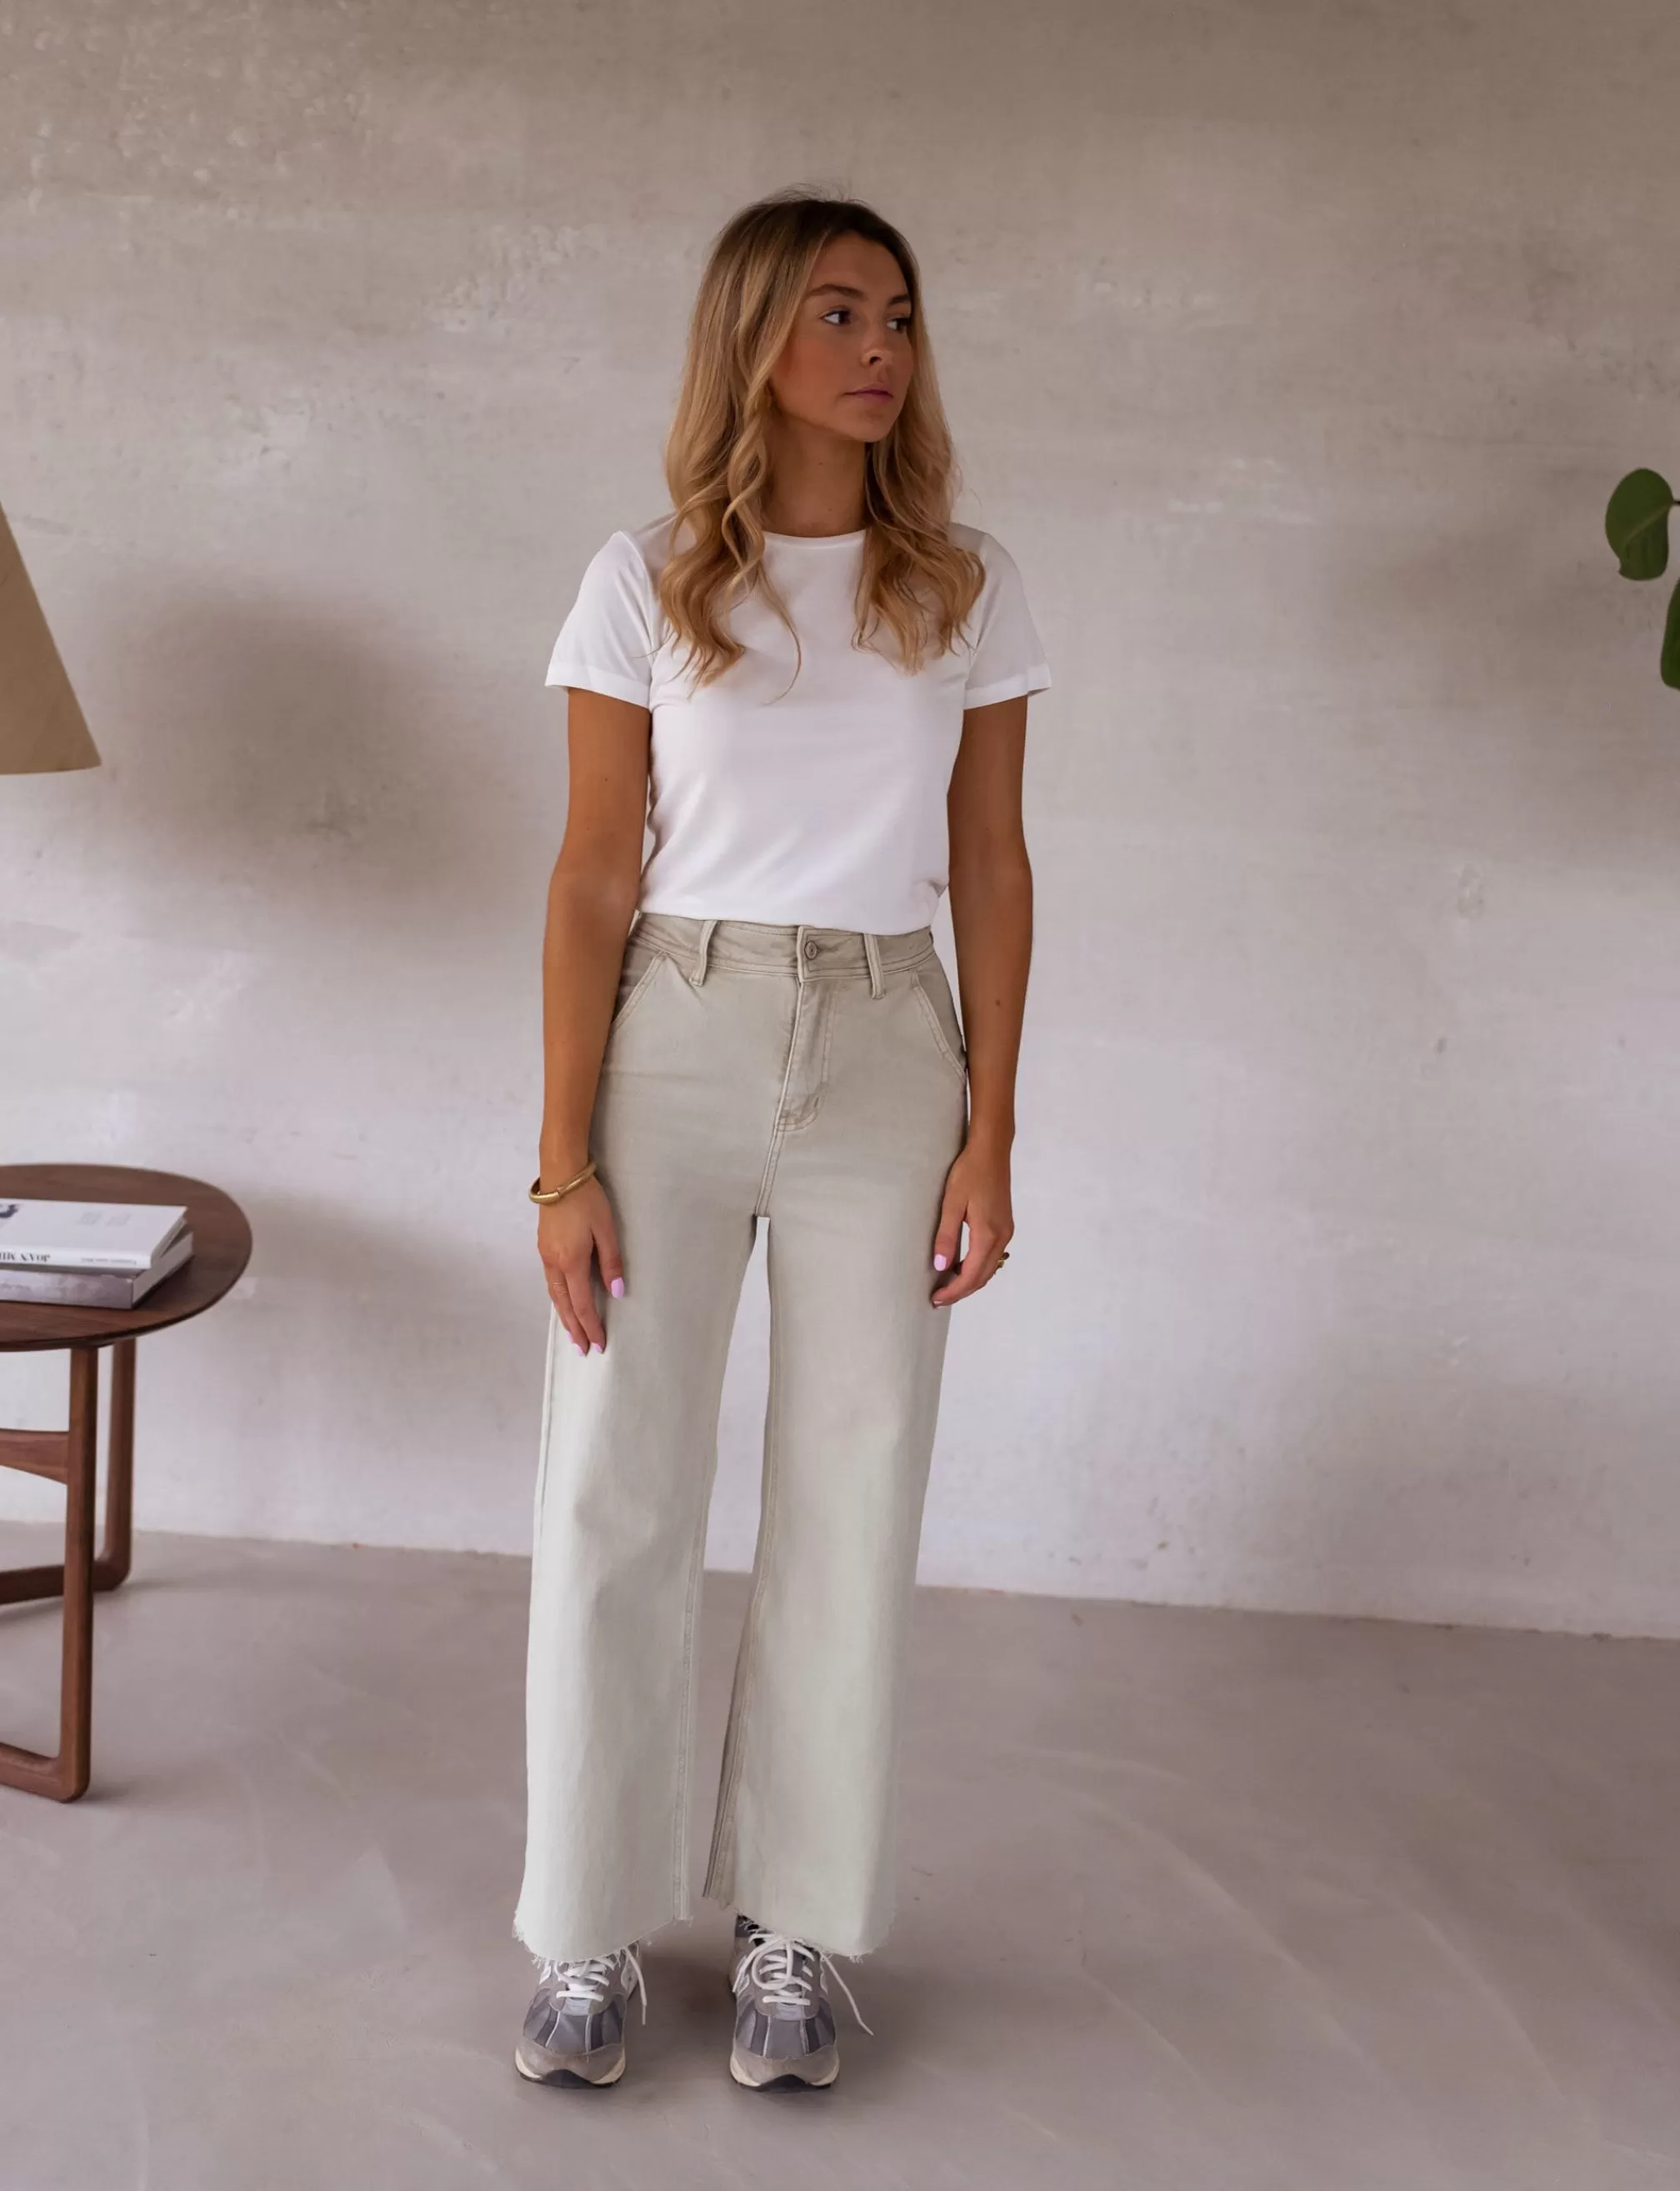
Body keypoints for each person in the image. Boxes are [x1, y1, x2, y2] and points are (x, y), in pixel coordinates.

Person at [511, 188, 1052, 2093]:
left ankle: (796, 1924)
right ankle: (587, 1926)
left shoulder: (964, 584)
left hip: (891, 1045)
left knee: (854, 1485)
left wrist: (992, 1133)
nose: (880, 346)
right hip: (674, 1028)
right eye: (836, 312)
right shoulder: (644, 580)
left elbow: (995, 867)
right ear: (752, 339)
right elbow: (592, 877)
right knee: (616, 1482)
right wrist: (561, 1160)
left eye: (897, 313)